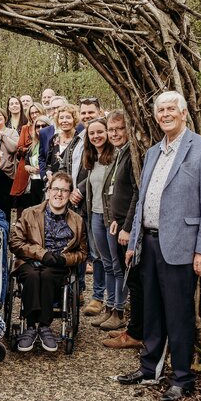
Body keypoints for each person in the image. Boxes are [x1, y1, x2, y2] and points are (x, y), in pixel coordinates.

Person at [117, 91, 201, 401]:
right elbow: (142, 202)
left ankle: (182, 377)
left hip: (181, 246)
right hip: (148, 244)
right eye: (160, 110)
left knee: (178, 314)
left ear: (184, 113)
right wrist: (134, 241)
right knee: (150, 310)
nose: (165, 114)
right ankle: (149, 368)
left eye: (170, 109)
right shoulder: (152, 153)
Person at [9, 172, 88, 352]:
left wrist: (64, 259)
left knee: (46, 274)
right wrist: (41, 254)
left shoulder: (77, 221)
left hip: (58, 266)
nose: (59, 194)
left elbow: (83, 253)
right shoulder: (30, 213)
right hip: (31, 261)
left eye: (64, 190)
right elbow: (15, 242)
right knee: (32, 274)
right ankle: (31, 327)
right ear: (48, 191)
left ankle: (43, 326)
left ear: (70, 194)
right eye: (56, 189)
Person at [101, 110, 141, 349]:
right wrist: (116, 217)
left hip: (128, 230)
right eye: (111, 129)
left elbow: (138, 192)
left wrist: (127, 227)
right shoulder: (119, 154)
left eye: (119, 129)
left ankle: (135, 332)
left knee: (132, 280)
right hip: (118, 222)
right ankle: (133, 329)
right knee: (127, 275)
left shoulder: (132, 155)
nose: (114, 133)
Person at [82, 117, 126, 331]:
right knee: (106, 263)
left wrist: (120, 218)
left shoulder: (116, 156)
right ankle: (108, 308)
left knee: (117, 265)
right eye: (92, 133)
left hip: (112, 218)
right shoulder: (93, 158)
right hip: (96, 216)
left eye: (101, 132)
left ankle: (119, 310)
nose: (96, 136)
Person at [61, 98, 103, 305]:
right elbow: (67, 166)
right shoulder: (78, 139)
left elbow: (101, 169)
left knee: (96, 252)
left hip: (93, 201)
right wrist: (66, 190)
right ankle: (77, 289)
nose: (87, 116)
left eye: (90, 112)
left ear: (99, 112)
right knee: (74, 246)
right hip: (73, 202)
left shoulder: (101, 137)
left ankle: (99, 297)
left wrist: (81, 189)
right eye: (84, 113)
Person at [10, 103, 43, 214]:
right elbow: (19, 148)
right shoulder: (25, 128)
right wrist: (30, 148)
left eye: (36, 112)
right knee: (25, 200)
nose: (34, 115)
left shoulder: (47, 126)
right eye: (32, 113)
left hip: (41, 170)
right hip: (26, 166)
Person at [0, 107, 19, 221]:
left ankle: (5, 232)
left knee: (6, 205)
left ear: (5, 117)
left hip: (7, 172)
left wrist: (3, 135)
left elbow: (13, 148)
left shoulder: (12, 132)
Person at [43, 104, 78, 186]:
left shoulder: (79, 140)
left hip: (72, 184)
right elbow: (48, 164)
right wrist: (49, 175)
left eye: (68, 117)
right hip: (54, 183)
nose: (64, 121)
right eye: (61, 118)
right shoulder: (54, 139)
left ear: (74, 119)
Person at [38, 96, 68, 178]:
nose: (56, 111)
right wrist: (44, 176)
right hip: (51, 180)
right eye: (53, 108)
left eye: (59, 108)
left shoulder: (77, 130)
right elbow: (42, 157)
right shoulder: (44, 132)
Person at [24, 114, 52, 205]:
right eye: (37, 126)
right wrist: (31, 169)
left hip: (47, 182)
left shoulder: (53, 143)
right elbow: (26, 164)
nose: (40, 129)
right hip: (34, 183)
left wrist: (43, 169)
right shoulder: (32, 146)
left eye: (44, 126)